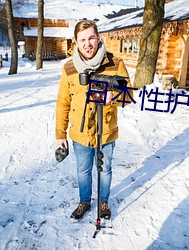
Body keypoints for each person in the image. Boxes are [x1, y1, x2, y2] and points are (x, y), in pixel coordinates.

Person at [55, 20, 133, 220]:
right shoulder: (69, 68)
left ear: (98, 38)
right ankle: (84, 202)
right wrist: (60, 134)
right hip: (80, 133)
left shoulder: (115, 64)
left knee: (105, 168)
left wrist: (112, 98)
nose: (87, 43)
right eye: (82, 40)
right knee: (83, 170)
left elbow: (129, 96)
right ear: (76, 42)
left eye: (91, 38)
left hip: (106, 130)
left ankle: (104, 202)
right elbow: (63, 102)